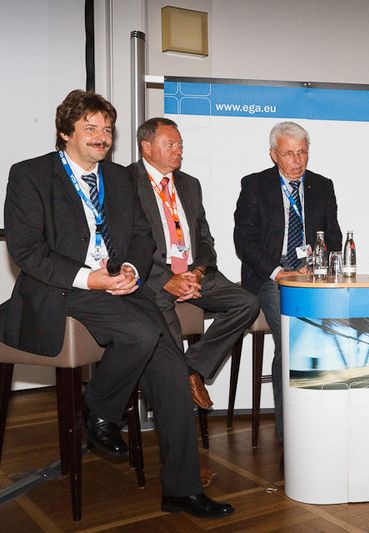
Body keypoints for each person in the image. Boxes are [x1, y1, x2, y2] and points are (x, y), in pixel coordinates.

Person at [0, 90, 234, 516]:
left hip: (118, 287)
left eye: (107, 129)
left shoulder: (121, 179)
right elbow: (27, 251)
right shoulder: (30, 175)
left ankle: (181, 489)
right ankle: (100, 410)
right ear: (65, 131)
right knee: (143, 332)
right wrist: (90, 278)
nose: (101, 137)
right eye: (90, 128)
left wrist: (129, 269)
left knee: (173, 369)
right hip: (62, 288)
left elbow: (142, 238)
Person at [131, 118, 260, 485]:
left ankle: (195, 369)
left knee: (246, 303)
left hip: (195, 272)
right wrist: (167, 280)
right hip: (153, 282)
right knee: (168, 370)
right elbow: (126, 246)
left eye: (181, 145)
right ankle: (184, 465)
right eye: (170, 144)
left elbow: (205, 239)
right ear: (146, 146)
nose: (179, 151)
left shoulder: (189, 185)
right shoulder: (127, 183)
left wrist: (198, 273)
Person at [233, 121, 341, 444]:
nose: (297, 161)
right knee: (294, 333)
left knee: (336, 325)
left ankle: (325, 419)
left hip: (311, 274)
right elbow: (244, 240)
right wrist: (278, 272)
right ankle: (290, 436)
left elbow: (333, 235)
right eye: (289, 154)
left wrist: (319, 263)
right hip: (270, 276)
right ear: (273, 155)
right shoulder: (255, 185)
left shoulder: (322, 186)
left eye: (302, 153)